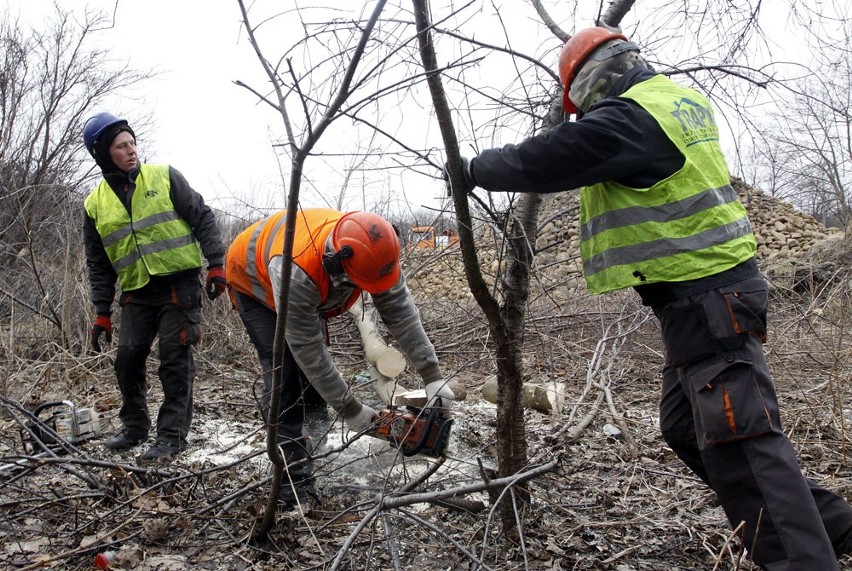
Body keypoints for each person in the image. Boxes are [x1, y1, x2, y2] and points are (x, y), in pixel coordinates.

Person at [445, 27, 852, 570]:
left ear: (596, 78)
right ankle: (835, 530)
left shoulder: (635, 116)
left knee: (741, 446)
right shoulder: (672, 103)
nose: (583, 112)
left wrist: (474, 169)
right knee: (687, 427)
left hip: (707, 299)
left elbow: (553, 155)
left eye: (583, 101)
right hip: (703, 301)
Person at [225, 208, 453, 506]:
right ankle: (291, 480)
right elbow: (308, 349)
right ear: (339, 269)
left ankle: (317, 441)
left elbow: (399, 311)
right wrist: (350, 409)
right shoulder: (296, 272)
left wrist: (432, 376)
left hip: (302, 281)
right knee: (286, 375)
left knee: (309, 376)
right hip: (254, 284)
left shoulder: (375, 250)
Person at [82, 112, 227, 462]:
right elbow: (98, 264)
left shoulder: (164, 177)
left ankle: (171, 436)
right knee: (128, 359)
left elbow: (203, 217)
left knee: (174, 359)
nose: (131, 150)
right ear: (103, 153)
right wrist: (102, 312)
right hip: (136, 292)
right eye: (121, 146)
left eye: (132, 142)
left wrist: (217, 264)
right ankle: (134, 428)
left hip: (179, 284)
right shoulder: (94, 204)